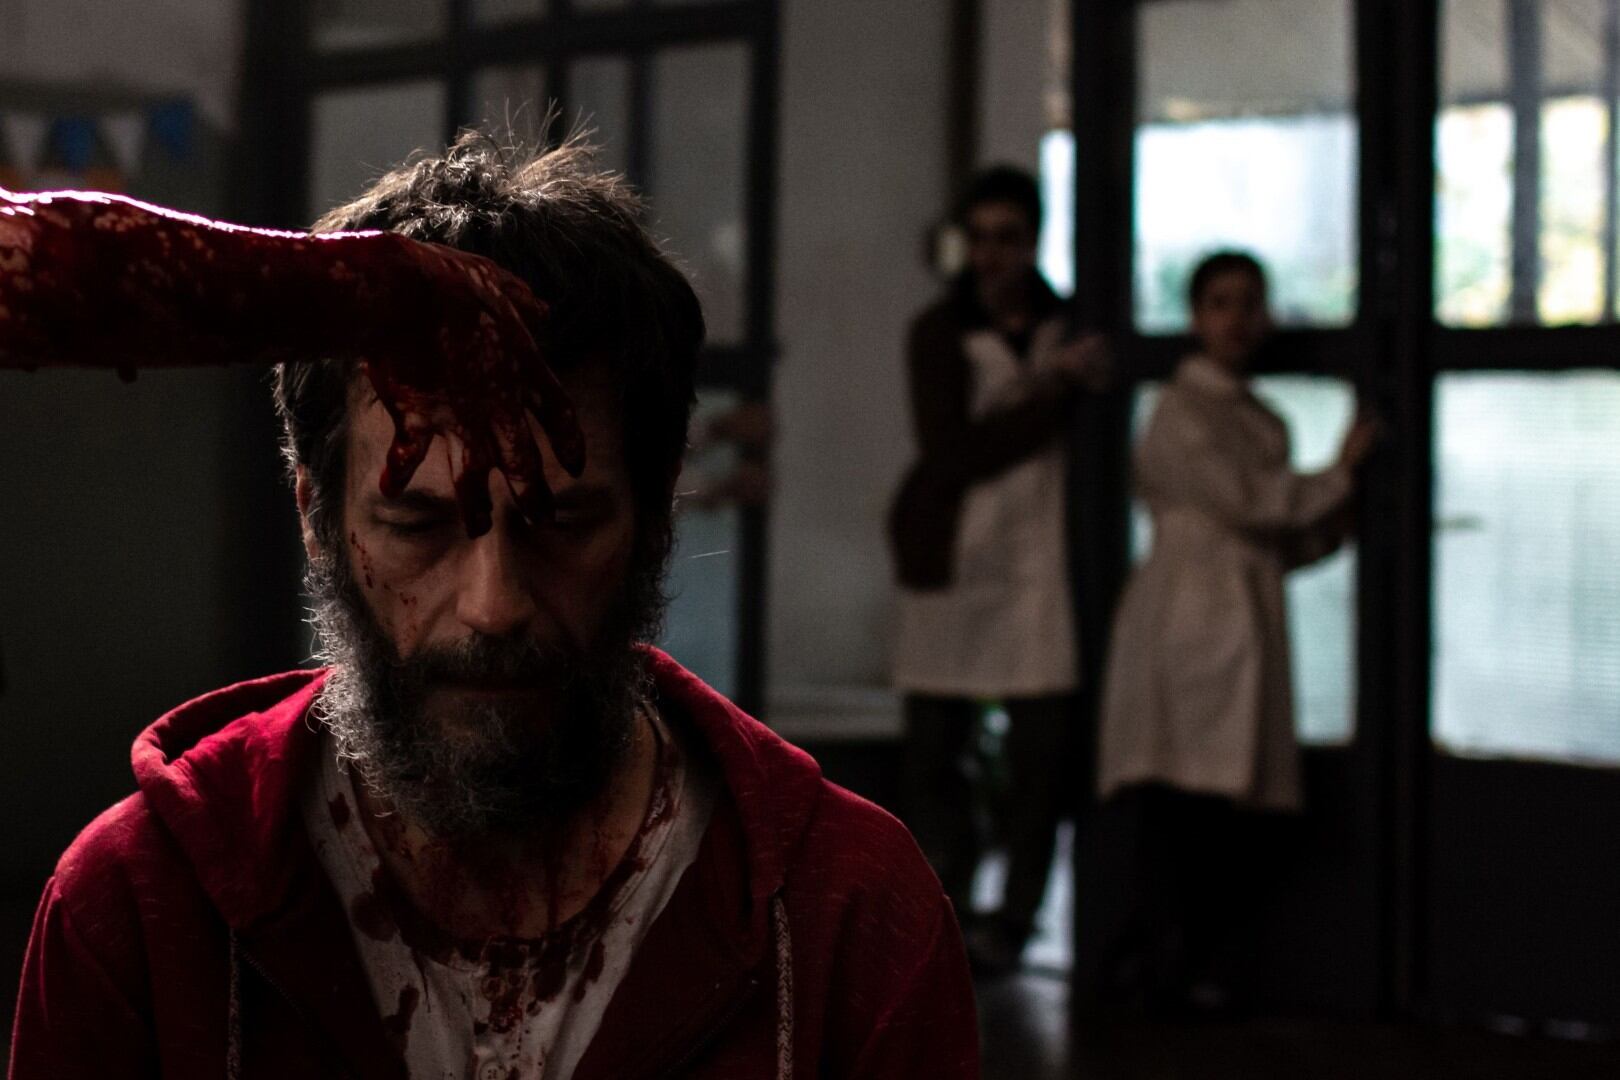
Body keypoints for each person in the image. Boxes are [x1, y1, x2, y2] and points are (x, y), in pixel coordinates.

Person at [8, 134, 977, 1078]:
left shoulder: (849, 923)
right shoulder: (139, 915)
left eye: (563, 523)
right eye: (418, 525)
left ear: (656, 515)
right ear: (314, 514)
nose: (494, 607)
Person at [1095, 250, 1377, 1012]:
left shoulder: (1258, 419)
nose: (1237, 319)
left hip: (1238, 610)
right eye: (1220, 302)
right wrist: (1337, 475)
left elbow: (1272, 529)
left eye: (1249, 302)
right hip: (1187, 615)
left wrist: (1330, 513)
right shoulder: (1178, 413)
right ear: (1195, 317)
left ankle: (1188, 964)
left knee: (1218, 806)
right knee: (1180, 797)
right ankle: (1156, 965)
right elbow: (1251, 502)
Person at [888, 165, 1109, 976]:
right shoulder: (937, 331)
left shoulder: (1074, 325)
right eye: (978, 238)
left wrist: (1062, 385)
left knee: (1041, 759)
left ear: (1034, 239)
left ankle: (1015, 918)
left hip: (1043, 562)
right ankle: (942, 905)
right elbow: (952, 450)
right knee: (936, 749)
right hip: (955, 557)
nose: (990, 255)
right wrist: (1054, 393)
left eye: (1007, 238)